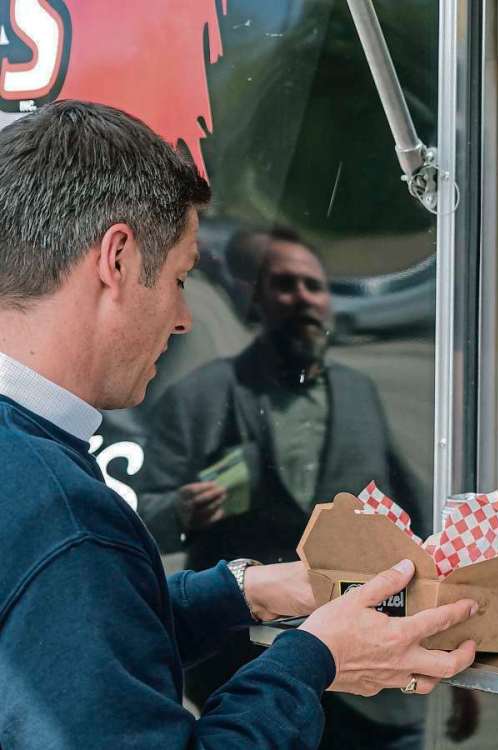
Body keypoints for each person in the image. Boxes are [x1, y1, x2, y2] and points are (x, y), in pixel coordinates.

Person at [0, 100, 477, 749]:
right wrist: (312, 660)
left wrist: (237, 591)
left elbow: (69, 638)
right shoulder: (69, 522)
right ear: (116, 259)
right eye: (179, 278)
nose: (184, 319)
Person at [136, 226, 435, 747]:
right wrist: (182, 511)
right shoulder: (201, 397)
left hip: (369, 687)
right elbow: (144, 522)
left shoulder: (360, 393)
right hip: (249, 682)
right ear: (257, 300)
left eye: (314, 286)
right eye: (285, 285)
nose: (303, 298)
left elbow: (409, 513)